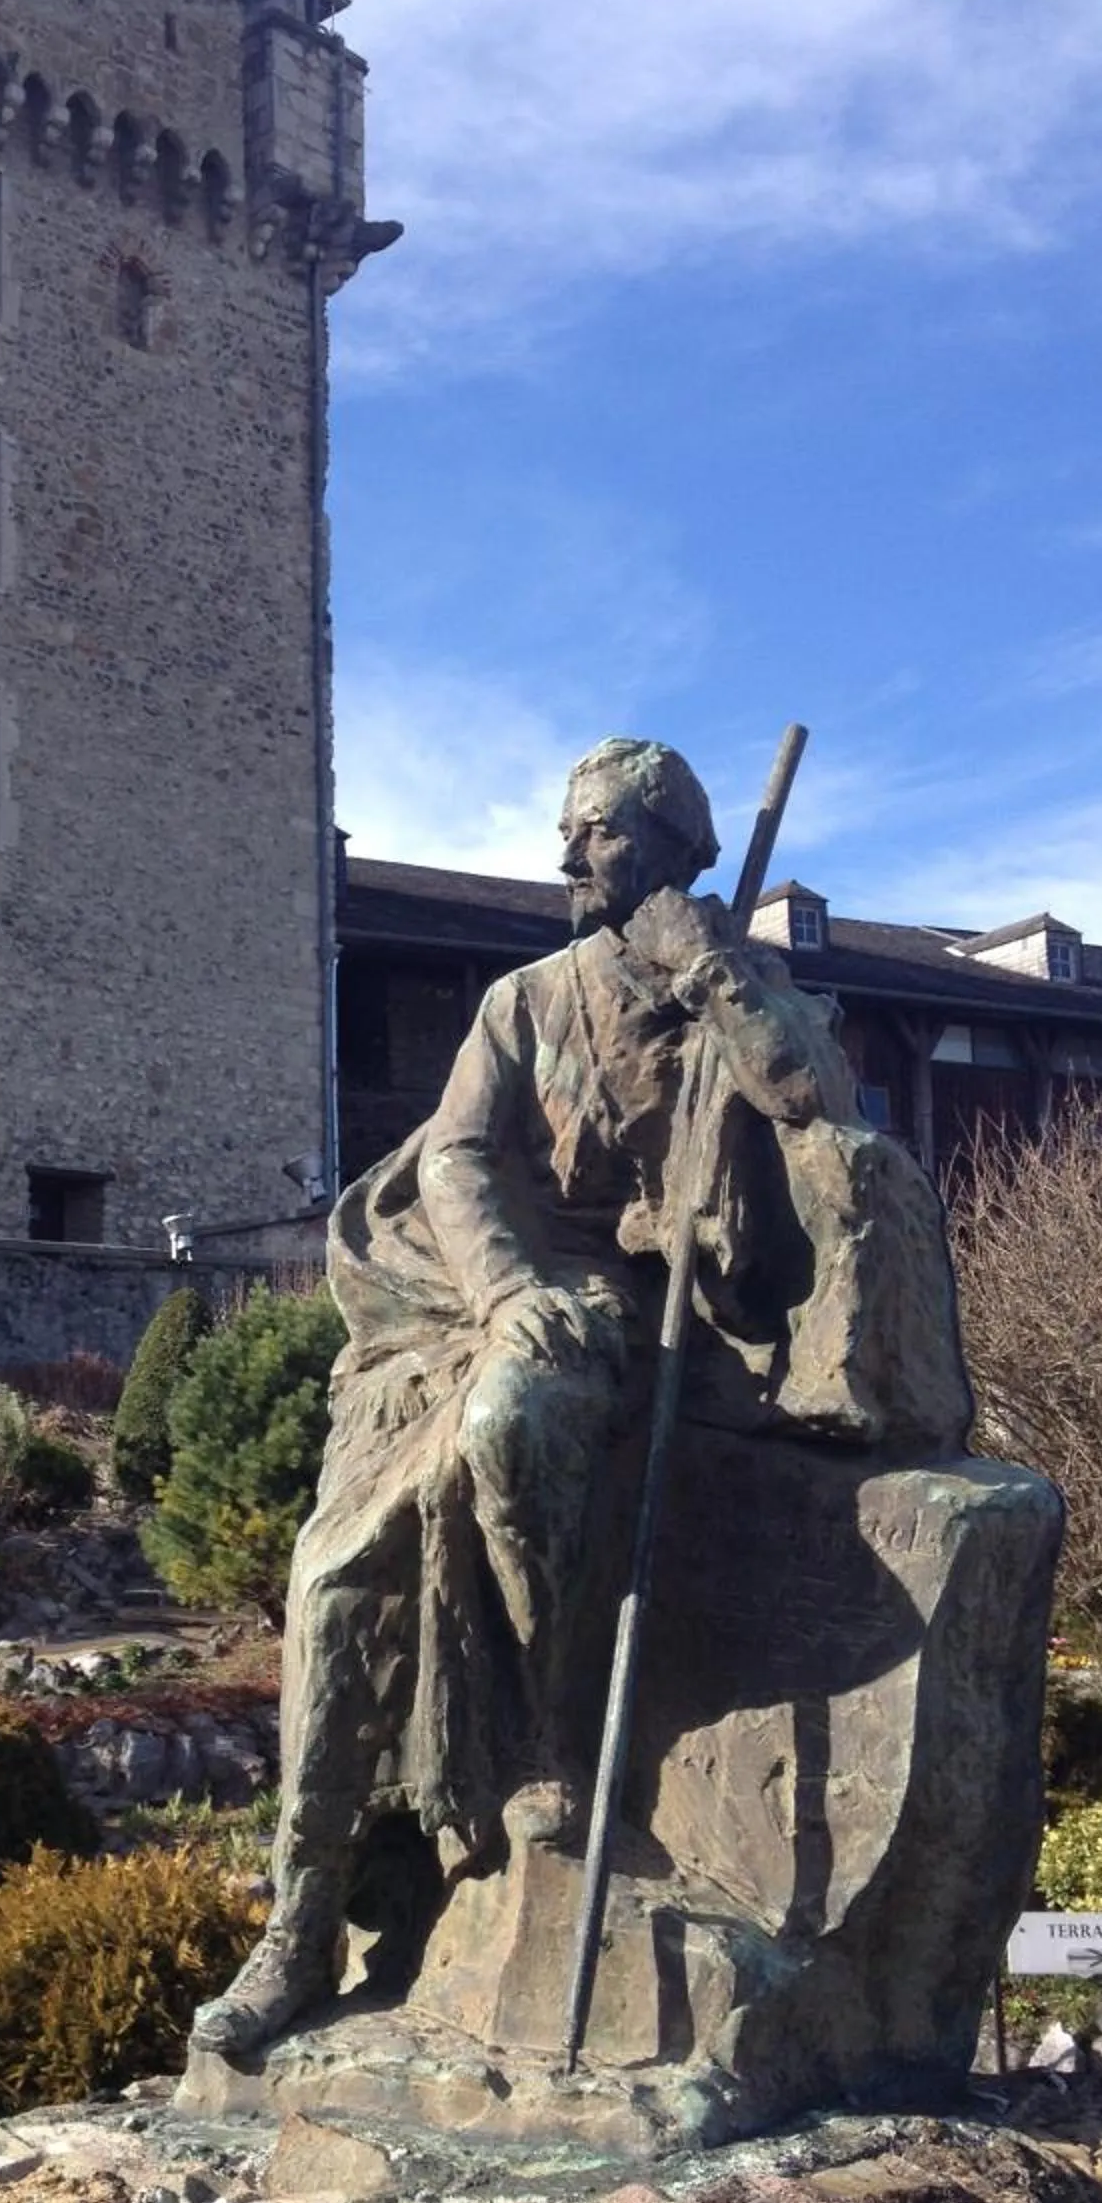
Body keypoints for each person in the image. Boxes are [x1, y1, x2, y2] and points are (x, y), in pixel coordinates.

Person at [191, 736, 964, 2060]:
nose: (564, 857)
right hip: (488, 1297)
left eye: (595, 831)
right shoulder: (525, 997)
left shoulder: (744, 990)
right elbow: (453, 1162)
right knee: (334, 1577)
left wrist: (711, 968)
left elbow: (811, 1098)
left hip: (663, 1322)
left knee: (512, 1427)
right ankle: (303, 1915)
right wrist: (499, 1288)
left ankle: (543, 1744)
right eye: (567, 831)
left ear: (668, 845)